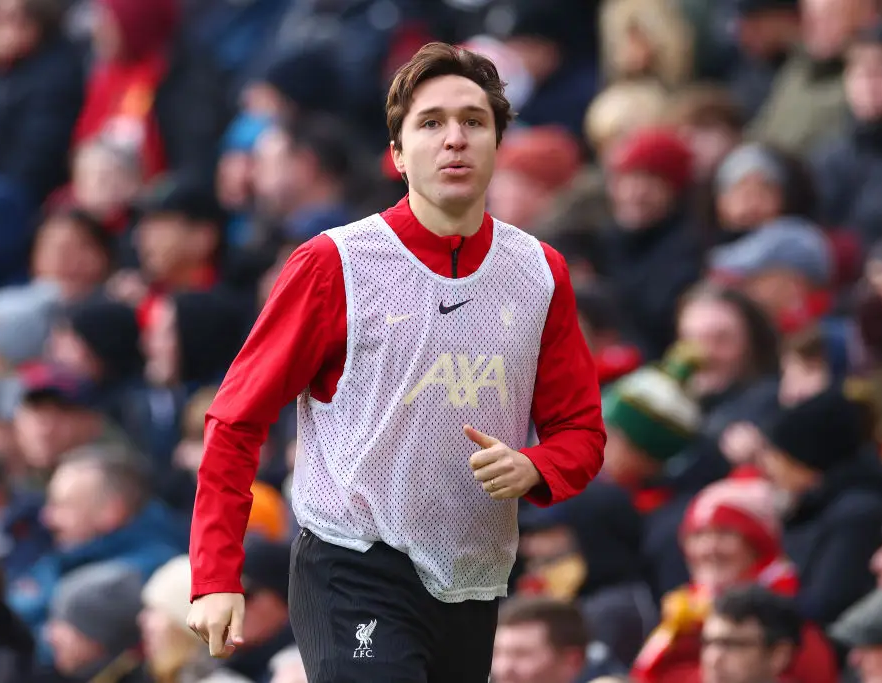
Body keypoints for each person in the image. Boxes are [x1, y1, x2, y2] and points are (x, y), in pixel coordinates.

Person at [186, 41, 607, 683]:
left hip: (474, 579)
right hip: (352, 562)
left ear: (498, 143)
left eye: (474, 121)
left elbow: (581, 433)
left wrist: (535, 466)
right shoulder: (335, 264)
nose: (455, 139)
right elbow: (235, 419)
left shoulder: (540, 272)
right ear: (397, 154)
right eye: (431, 123)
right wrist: (215, 575)